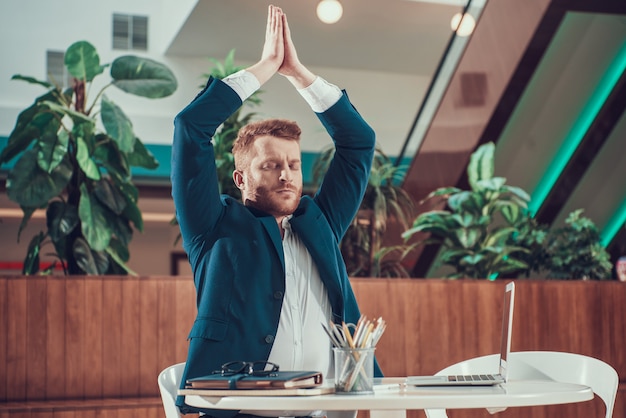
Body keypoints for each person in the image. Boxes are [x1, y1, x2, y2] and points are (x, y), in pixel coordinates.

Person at [171, 5, 381, 417]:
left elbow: (359, 142)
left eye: (294, 165)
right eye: (270, 165)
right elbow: (190, 129)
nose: (286, 176)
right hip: (239, 409)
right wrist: (267, 67)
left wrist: (300, 75)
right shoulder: (213, 227)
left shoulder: (321, 223)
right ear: (241, 178)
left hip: (329, 408)